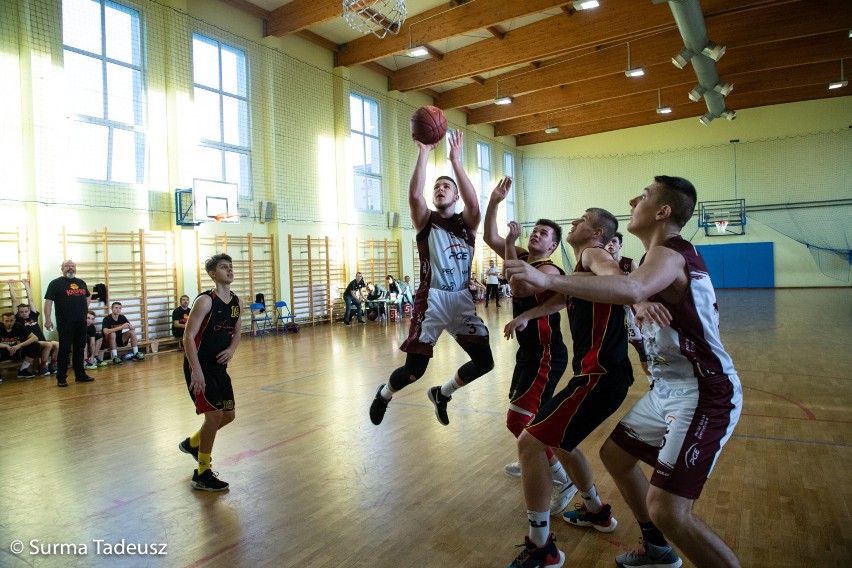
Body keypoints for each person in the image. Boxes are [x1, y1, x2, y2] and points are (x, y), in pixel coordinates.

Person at [506, 176, 743, 568]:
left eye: (645, 196)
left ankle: (563, 542)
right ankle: (655, 548)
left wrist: (550, 279)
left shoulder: (669, 253)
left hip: (704, 390)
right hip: (667, 388)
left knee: (669, 510)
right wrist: (637, 295)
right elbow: (617, 285)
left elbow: (626, 286)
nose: (634, 199)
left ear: (663, 212)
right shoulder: (652, 262)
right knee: (615, 456)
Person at [502, 207, 633, 568]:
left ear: (595, 234)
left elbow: (617, 281)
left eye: (583, 219)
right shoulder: (580, 270)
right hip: (595, 375)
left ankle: (543, 547)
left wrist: (546, 281)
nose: (575, 220)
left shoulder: (594, 255)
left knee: (529, 443)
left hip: (600, 376)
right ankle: (596, 512)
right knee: (561, 443)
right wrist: (527, 314)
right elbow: (564, 299)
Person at [369, 130, 493, 427]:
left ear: (455, 196)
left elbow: (475, 205)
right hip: (433, 299)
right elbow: (414, 195)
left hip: (462, 299)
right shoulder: (426, 220)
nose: (440, 189)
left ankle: (443, 393)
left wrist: (455, 161)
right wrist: (423, 151)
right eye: (436, 186)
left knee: (485, 362)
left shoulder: (467, 224)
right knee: (414, 371)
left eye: (446, 186)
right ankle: (384, 394)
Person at [483, 176, 575, 515]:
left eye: (543, 233)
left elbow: (517, 285)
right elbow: (488, 236)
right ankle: (532, 455)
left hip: (546, 353)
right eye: (534, 230)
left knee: (517, 419)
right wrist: (493, 201)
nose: (535, 234)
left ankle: (562, 478)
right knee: (529, 415)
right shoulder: (524, 256)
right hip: (530, 350)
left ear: (551, 247)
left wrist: (510, 242)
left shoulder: (547, 267)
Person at [178, 253, 243, 492]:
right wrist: (195, 370)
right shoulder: (205, 301)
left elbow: (237, 332)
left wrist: (232, 349)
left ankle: (193, 443)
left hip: (219, 367)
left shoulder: (237, 302)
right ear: (213, 274)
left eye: (231, 266)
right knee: (214, 416)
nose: (230, 270)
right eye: (224, 267)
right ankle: (202, 472)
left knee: (229, 415)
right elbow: (188, 336)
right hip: (199, 366)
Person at [43, 259, 95, 387]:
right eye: (67, 266)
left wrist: (85, 306)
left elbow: (88, 296)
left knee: (79, 349)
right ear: (62, 268)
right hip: (65, 322)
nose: (70, 268)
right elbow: (48, 302)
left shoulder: (81, 283)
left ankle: (80, 375)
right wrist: (48, 319)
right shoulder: (55, 283)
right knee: (64, 350)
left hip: (81, 322)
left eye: (73, 266)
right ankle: (61, 378)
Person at [607, 232, 650, 377]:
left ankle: (652, 380)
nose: (610, 244)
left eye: (614, 241)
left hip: (630, 312)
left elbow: (640, 287)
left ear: (620, 245)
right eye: (608, 242)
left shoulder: (629, 263)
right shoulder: (596, 265)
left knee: (642, 348)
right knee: (611, 348)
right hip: (609, 312)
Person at [9, 279, 58, 375]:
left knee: (57, 344)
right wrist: (10, 285)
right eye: (21, 312)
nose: (24, 313)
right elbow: (14, 301)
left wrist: (26, 284)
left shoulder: (33, 315)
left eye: (26, 311)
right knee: (49, 344)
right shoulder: (18, 319)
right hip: (30, 343)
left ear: (29, 311)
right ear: (18, 313)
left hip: (41, 341)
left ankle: (52, 365)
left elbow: (30, 300)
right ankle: (43, 367)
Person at [0, 311, 42, 380]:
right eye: (6, 321)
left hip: (15, 351)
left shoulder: (18, 326)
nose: (9, 323)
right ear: (2, 321)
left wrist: (19, 345)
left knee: (35, 345)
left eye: (11, 320)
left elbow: (35, 338)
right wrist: (6, 346)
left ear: (15, 320)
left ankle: (23, 370)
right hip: (2, 352)